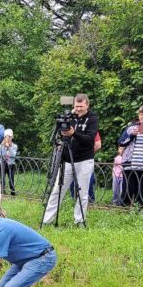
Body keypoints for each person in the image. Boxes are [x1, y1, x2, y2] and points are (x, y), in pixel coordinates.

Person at [43, 94, 99, 226]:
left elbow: (90, 140)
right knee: (57, 190)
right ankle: (47, 220)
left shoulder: (93, 118)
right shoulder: (69, 117)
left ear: (87, 105)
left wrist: (74, 134)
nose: (78, 109)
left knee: (82, 192)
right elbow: (59, 134)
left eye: (81, 106)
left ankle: (79, 220)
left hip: (85, 160)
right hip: (67, 159)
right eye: (76, 106)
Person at [0, 129, 18, 196]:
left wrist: (9, 147)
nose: (8, 139)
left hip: (11, 164)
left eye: (9, 137)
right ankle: (2, 192)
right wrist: (2, 146)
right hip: (3, 163)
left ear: (12, 137)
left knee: (11, 179)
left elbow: (13, 155)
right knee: (2, 179)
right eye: (6, 137)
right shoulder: (2, 145)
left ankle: (12, 193)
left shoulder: (14, 146)